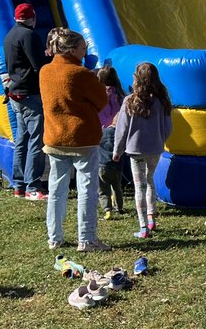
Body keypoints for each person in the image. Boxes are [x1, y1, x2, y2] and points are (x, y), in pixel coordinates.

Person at [39, 28, 108, 251]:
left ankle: (54, 237)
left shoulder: (45, 72)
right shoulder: (82, 74)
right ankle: (87, 239)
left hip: (55, 137)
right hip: (82, 138)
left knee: (56, 190)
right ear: (71, 49)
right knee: (86, 188)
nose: (84, 52)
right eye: (82, 49)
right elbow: (101, 101)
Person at [113, 63, 173, 238]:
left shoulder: (129, 101)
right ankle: (151, 217)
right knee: (150, 182)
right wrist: (160, 139)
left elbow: (121, 129)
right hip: (155, 148)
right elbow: (168, 127)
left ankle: (143, 227)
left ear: (136, 78)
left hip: (135, 150)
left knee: (139, 186)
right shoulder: (162, 102)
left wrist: (117, 150)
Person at [2, 3, 51, 200]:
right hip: (29, 93)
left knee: (21, 139)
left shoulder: (10, 35)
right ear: (32, 18)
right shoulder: (29, 35)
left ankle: (19, 184)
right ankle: (33, 186)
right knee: (35, 140)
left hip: (15, 93)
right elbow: (39, 65)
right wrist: (51, 57)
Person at [96, 65, 126, 218]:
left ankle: (107, 207)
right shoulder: (120, 96)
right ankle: (119, 206)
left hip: (100, 131)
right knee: (117, 177)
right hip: (117, 131)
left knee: (102, 178)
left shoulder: (98, 94)